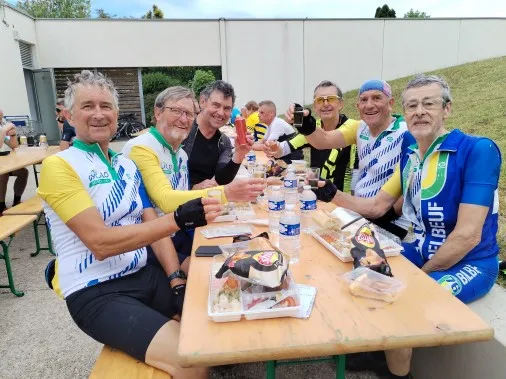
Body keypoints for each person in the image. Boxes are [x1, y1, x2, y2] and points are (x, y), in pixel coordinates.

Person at [38, 70, 219, 379]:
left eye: (106, 106)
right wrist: (177, 219)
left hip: (142, 274)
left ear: (117, 114)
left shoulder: (126, 164)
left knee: (211, 326)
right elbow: (101, 243)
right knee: (193, 361)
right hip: (97, 291)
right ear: (69, 115)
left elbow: (151, 223)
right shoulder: (60, 166)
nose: (98, 114)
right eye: (88, 106)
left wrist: (175, 278)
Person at [319, 74, 502, 379]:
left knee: (404, 300)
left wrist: (418, 277)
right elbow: (381, 203)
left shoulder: (478, 150)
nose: (419, 111)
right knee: (361, 267)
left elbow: (468, 236)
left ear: (448, 108)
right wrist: (332, 195)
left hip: (471, 262)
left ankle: (398, 374)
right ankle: (380, 353)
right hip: (421, 246)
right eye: (412, 105)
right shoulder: (410, 148)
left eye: (429, 103)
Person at [122, 86, 265, 271]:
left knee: (248, 252)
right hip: (152, 243)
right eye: (176, 111)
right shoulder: (142, 147)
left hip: (182, 228)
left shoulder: (183, 152)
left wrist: (238, 155)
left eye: (189, 114)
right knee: (218, 272)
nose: (184, 119)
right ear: (158, 113)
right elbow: (165, 200)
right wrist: (226, 193)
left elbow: (218, 178)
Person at [287, 79, 415, 239]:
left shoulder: (407, 134)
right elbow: (324, 140)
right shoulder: (359, 127)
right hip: (359, 215)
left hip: (390, 226)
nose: (369, 105)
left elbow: (385, 205)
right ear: (358, 106)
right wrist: (306, 123)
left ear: (390, 103)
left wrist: (331, 193)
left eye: (376, 98)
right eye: (363, 100)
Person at [268, 80, 359, 193]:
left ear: (340, 104)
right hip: (316, 194)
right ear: (315, 106)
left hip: (341, 201)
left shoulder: (352, 127)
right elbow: (282, 150)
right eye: (320, 100)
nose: (325, 104)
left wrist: (349, 206)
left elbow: (356, 172)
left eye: (331, 99)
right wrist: (274, 148)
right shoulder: (313, 127)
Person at [183, 80, 253, 190]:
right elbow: (165, 174)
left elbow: (221, 179)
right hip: (178, 203)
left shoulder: (223, 141)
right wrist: (192, 188)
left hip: (207, 202)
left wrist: (239, 154)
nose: (221, 113)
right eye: (216, 105)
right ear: (202, 102)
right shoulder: (183, 131)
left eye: (227, 108)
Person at [0, 109, 28, 216]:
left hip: (4, 160)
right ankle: (1, 206)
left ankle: (17, 201)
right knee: (3, 174)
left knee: (23, 172)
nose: (1, 120)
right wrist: (3, 131)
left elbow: (14, 145)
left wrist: (12, 135)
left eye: (1, 117)